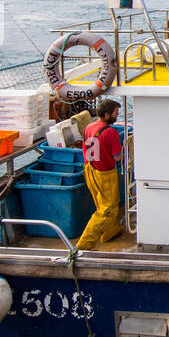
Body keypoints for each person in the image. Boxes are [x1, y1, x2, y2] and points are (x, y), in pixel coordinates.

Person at [76, 99, 124, 250]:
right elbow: (117, 157)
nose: (117, 116)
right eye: (116, 113)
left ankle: (109, 233)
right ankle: (85, 243)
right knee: (107, 209)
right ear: (107, 114)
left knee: (101, 204)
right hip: (105, 174)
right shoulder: (111, 132)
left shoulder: (89, 128)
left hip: (90, 170)